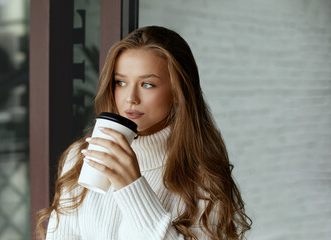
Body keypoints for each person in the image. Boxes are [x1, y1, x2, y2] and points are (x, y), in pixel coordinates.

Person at [37, 26, 252, 240]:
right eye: (121, 82)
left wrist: (132, 187)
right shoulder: (81, 156)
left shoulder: (202, 177)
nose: (131, 97)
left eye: (148, 84)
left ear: (178, 92)